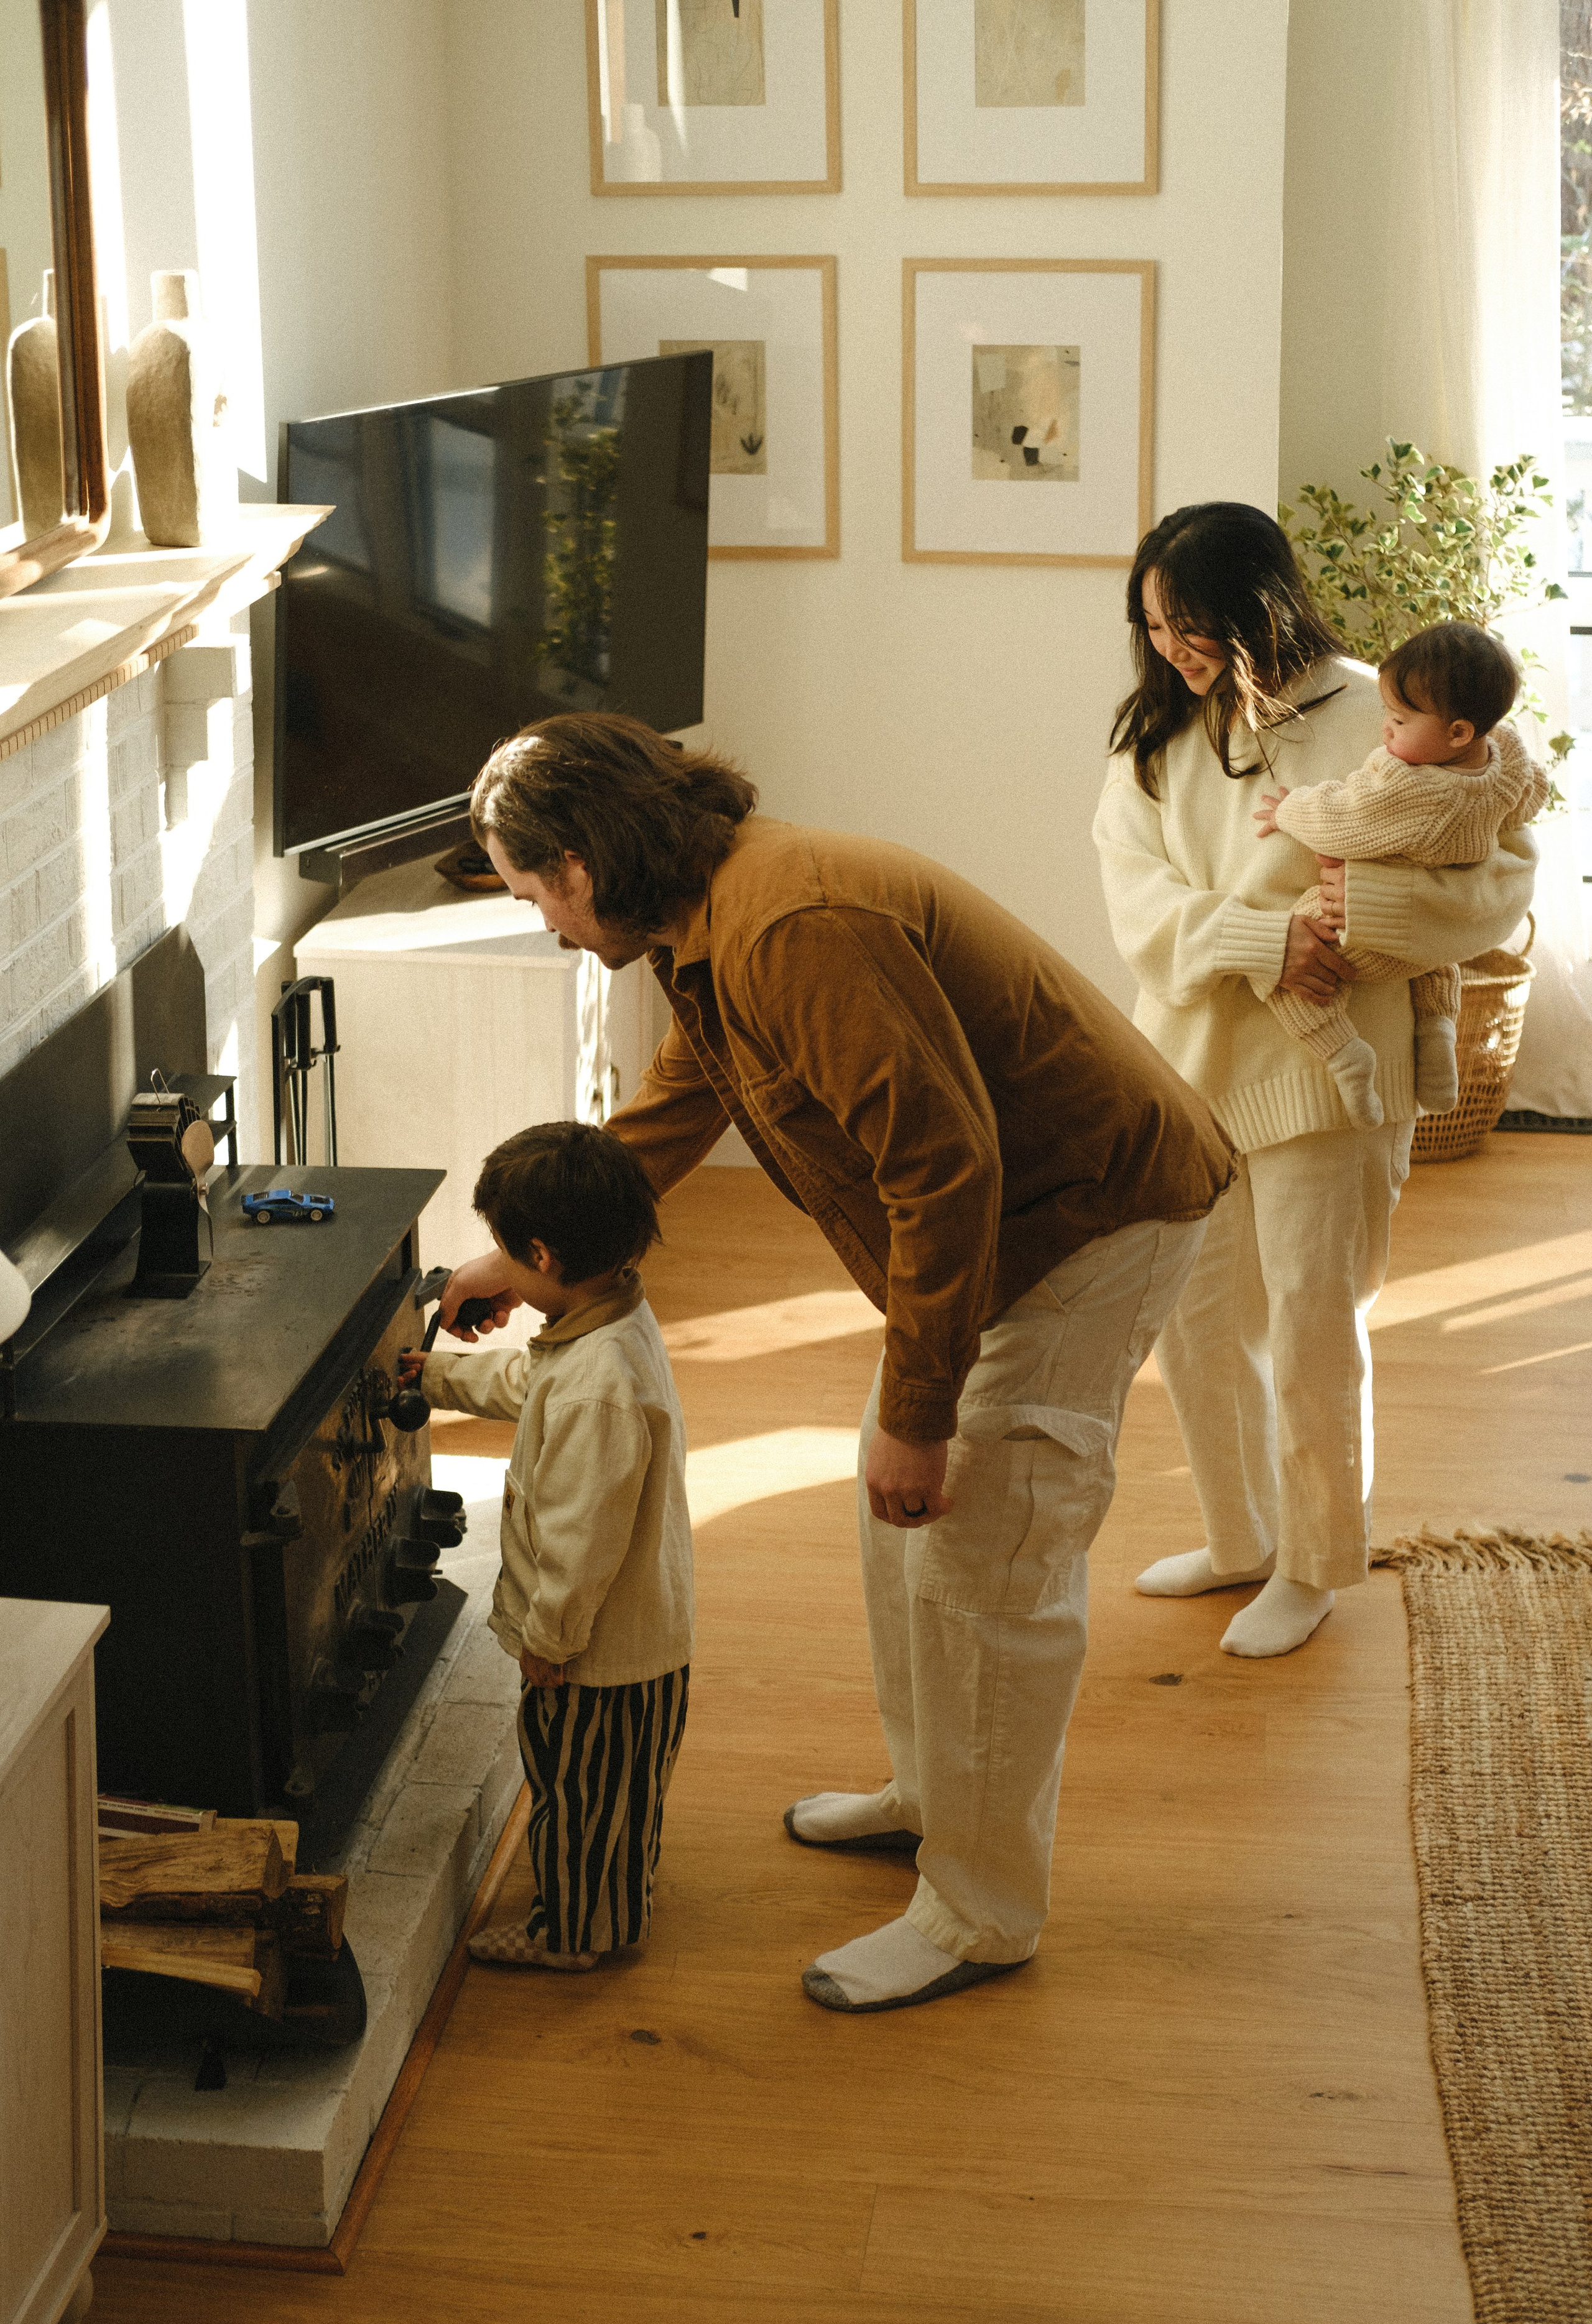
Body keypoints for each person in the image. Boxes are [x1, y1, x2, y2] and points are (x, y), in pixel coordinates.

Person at [438, 712, 1234, 2015]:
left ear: (580, 863)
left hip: (1085, 1217)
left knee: (983, 1555)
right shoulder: (710, 914)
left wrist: (922, 1412)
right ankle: (935, 1796)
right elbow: (686, 1093)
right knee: (896, 1534)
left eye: (532, 894)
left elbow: (943, 1165)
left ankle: (980, 1912)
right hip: (1005, 1225)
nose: (542, 923)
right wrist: (526, 1259)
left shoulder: (787, 926)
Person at [1094, 504, 1535, 1660]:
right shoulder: (1152, 739)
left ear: (1257, 608)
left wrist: (1360, 918)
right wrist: (1262, 941)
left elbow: (1497, 890)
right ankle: (1241, 1536)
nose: (1171, 649)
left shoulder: (1384, 711)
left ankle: (1312, 1561)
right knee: (1195, 1321)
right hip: (1189, 1070)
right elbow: (1135, 905)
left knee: (1312, 1326)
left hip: (1330, 1081)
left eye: (1190, 625)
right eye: (1153, 625)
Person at [401, 1120, 692, 1970]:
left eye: (507, 1256)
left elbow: (580, 1542)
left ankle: (572, 1934)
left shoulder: (595, 1392)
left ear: (543, 1256)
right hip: (642, 1644)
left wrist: (548, 1642)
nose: (500, 1269)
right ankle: (617, 1898)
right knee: (618, 1794)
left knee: (575, 1790)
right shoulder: (606, 1321)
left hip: (596, 1657)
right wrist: (432, 1377)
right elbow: (531, 1382)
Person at [1254, 620, 1547, 1129]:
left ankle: (1347, 1057)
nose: (1385, 729)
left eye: (1398, 720)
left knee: (1283, 979)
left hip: (1360, 931)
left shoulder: (1409, 790)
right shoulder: (1508, 761)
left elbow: (1342, 819)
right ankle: (1437, 1033)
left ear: (1458, 732)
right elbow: (1532, 797)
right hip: (1428, 940)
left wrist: (1288, 810)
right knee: (1438, 962)